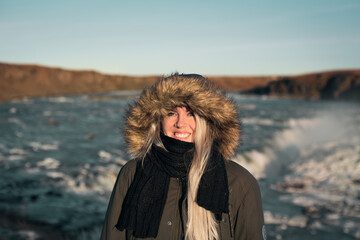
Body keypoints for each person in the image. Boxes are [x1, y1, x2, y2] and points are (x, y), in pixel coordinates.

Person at [100, 73, 265, 240]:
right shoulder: (132, 173)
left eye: (191, 113)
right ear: (158, 119)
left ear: (208, 120)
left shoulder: (240, 183)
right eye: (171, 113)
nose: (180, 123)